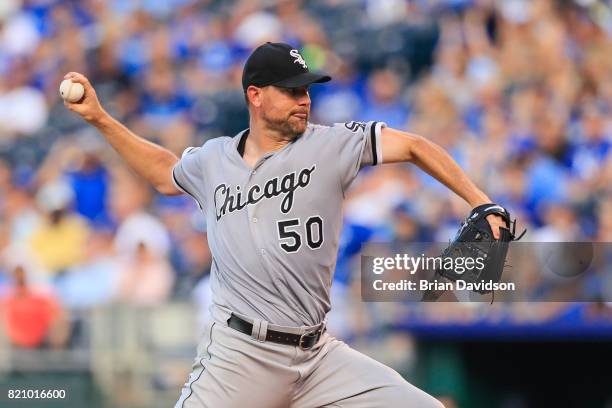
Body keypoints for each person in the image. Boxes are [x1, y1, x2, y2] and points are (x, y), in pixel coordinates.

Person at [64, 42, 506, 408]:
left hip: (318, 356)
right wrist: (101, 119)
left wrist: (481, 202)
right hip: (241, 356)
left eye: (307, 90)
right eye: (292, 90)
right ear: (255, 96)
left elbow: (413, 146)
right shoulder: (214, 159)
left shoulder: (332, 144)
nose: (305, 99)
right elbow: (166, 173)